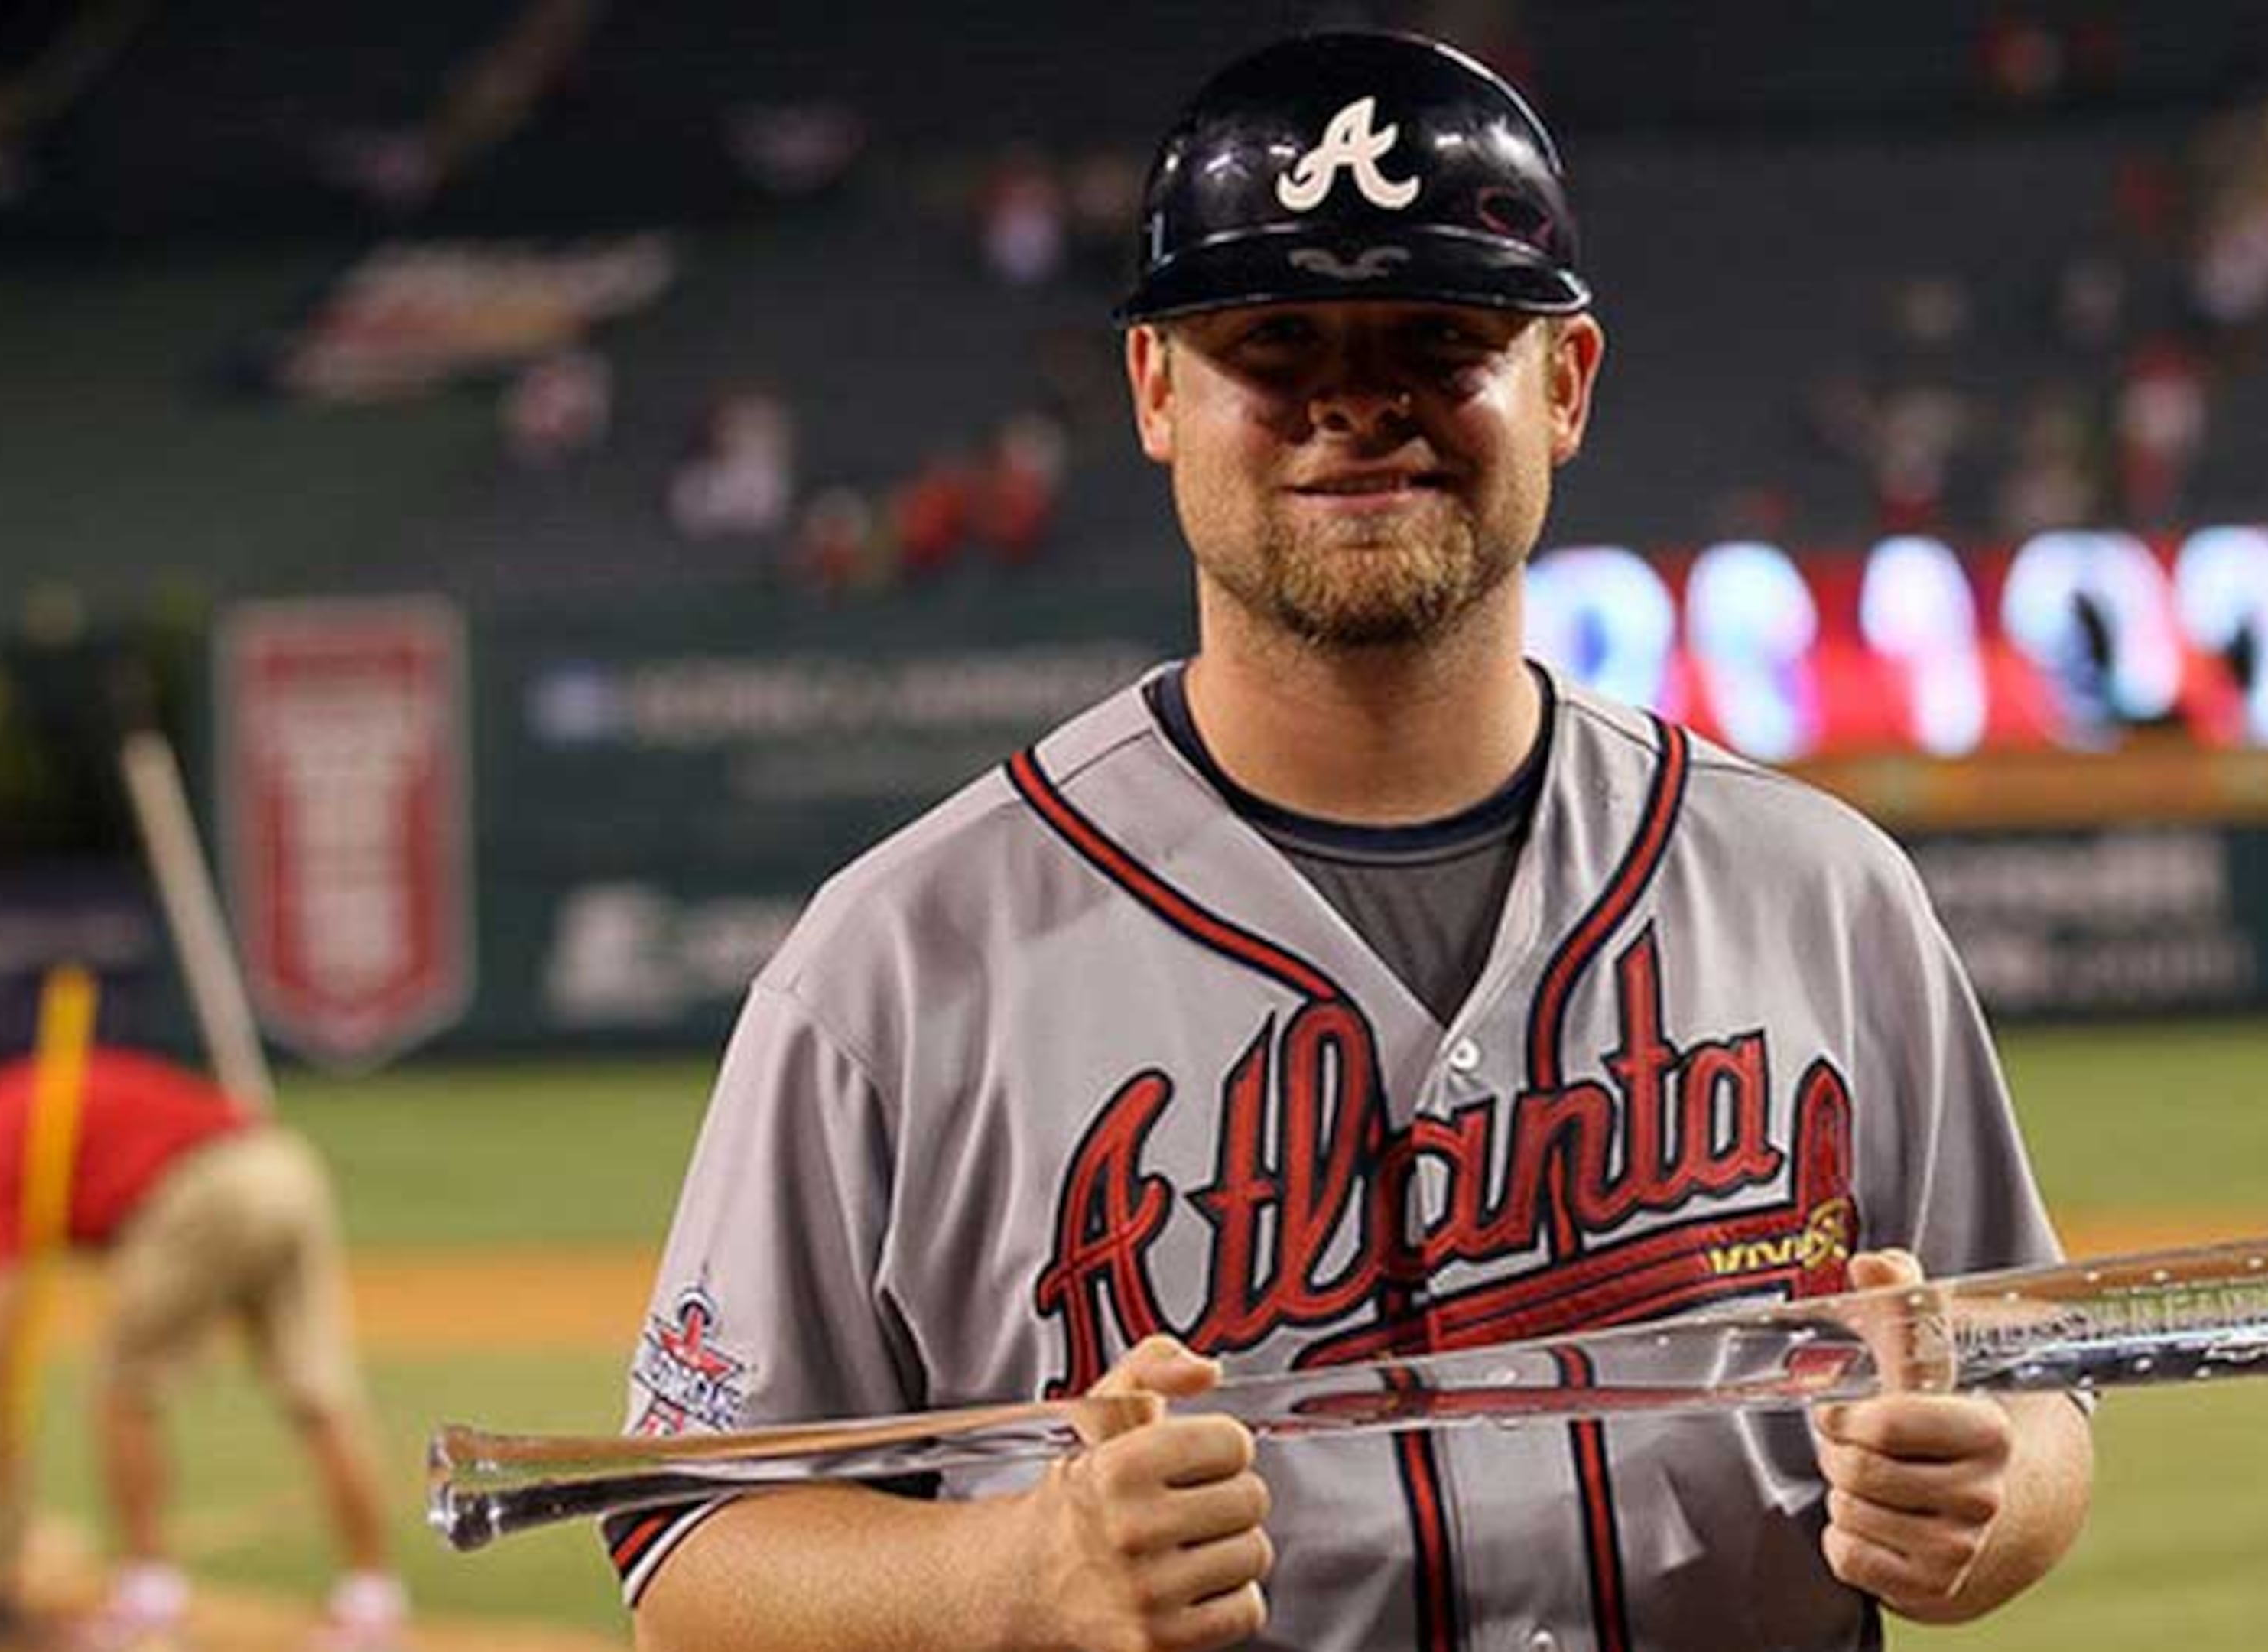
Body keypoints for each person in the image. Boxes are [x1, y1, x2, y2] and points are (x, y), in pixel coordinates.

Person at [616, 31, 2092, 1652]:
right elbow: (691, 1546)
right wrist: (1015, 1576)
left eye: (1438, 336)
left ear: (1567, 386)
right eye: (1277, 339)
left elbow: (2030, 1393)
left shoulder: (1822, 892)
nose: (1356, 404)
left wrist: (1984, 1496)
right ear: (1158, 392)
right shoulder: (901, 958)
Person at [0, 1046, 408, 1652]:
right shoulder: (29, 1091)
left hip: (204, 1192)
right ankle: (373, 1604)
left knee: (123, 1391)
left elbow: (2, 1308)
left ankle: (148, 1599)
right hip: (283, 1165)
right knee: (319, 1392)